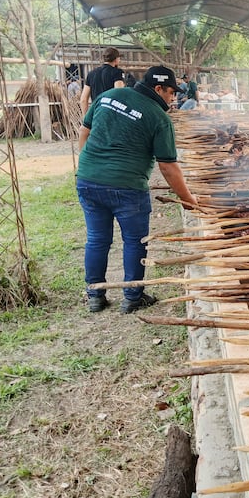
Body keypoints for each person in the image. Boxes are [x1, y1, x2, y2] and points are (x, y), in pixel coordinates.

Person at [76, 65, 197, 315]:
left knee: (97, 239)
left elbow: (84, 132)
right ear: (158, 88)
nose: (173, 98)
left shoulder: (107, 96)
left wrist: (92, 165)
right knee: (134, 241)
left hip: (88, 179)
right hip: (127, 187)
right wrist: (187, 198)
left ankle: (95, 295)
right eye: (171, 92)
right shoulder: (159, 117)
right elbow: (168, 167)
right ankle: (132, 297)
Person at [79, 47, 125, 114]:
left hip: (96, 114)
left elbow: (83, 99)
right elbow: (119, 95)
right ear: (116, 59)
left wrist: (86, 119)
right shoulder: (117, 72)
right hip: (110, 114)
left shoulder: (91, 74)